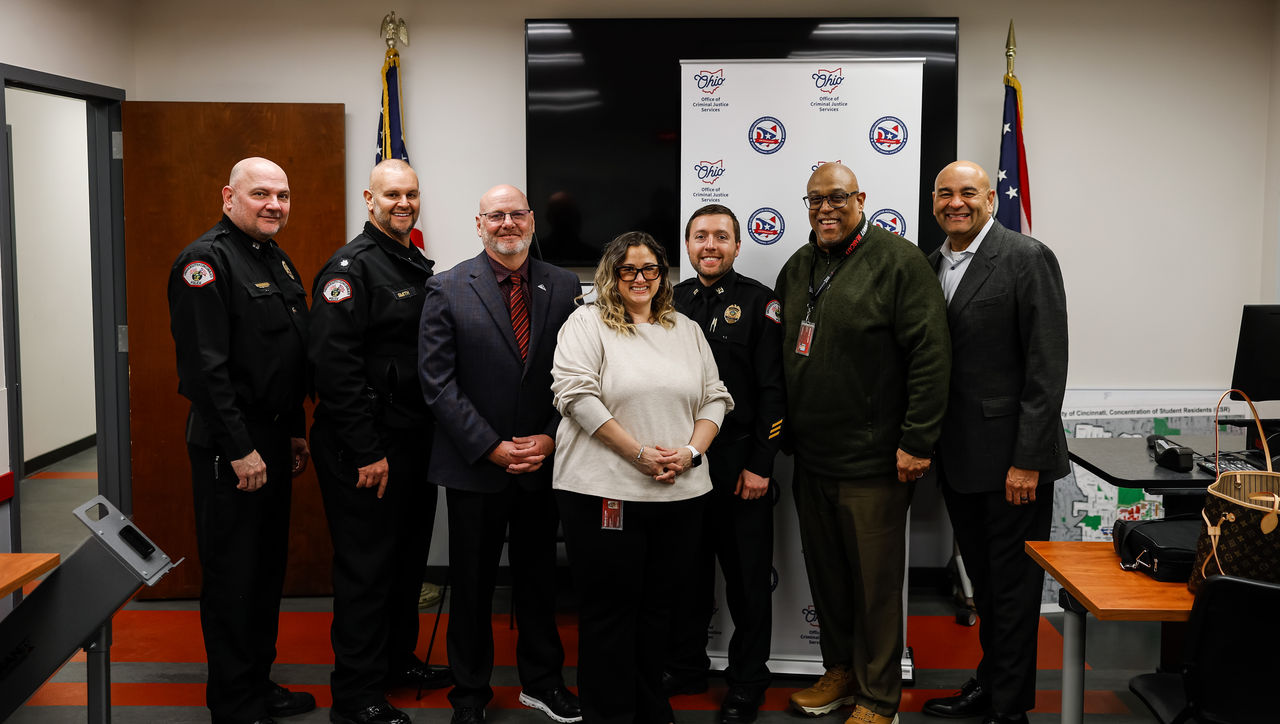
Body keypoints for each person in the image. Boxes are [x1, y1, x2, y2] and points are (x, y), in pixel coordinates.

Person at [774, 162, 950, 724]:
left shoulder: (898, 261)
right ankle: (841, 673)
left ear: (860, 199)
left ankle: (878, 699)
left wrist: (917, 440)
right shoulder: (798, 266)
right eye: (815, 199)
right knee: (828, 580)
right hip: (813, 460)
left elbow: (931, 355)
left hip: (875, 462)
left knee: (874, 589)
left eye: (837, 197)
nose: (825, 208)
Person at [552, 231, 734, 724]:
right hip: (603, 492)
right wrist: (638, 455)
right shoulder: (585, 323)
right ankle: (608, 714)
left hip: (680, 493)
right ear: (610, 274)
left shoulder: (686, 329)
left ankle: (650, 710)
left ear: (663, 274)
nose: (639, 279)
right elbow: (574, 394)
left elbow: (715, 396)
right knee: (610, 614)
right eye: (627, 269)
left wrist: (692, 452)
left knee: (658, 613)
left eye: (649, 269)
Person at [418, 184, 581, 724]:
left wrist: (553, 435)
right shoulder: (446, 287)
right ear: (479, 223)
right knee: (471, 586)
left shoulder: (562, 284)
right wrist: (490, 446)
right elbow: (437, 382)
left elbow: (582, 375)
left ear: (532, 221)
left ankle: (543, 683)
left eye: (516, 214)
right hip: (474, 468)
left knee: (539, 584)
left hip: (543, 462)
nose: (506, 223)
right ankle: (469, 694)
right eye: (496, 215)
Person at [168, 157, 316, 724]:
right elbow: (205, 371)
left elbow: (286, 356)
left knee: (265, 571)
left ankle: (257, 683)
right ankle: (234, 704)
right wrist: (239, 449)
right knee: (233, 575)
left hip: (275, 436)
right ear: (229, 196)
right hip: (232, 441)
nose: (274, 204)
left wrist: (296, 431)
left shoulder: (271, 256)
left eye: (282, 194)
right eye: (260, 194)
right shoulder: (205, 262)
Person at [921, 161, 1068, 724]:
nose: (955, 203)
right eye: (944, 194)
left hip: (1013, 464)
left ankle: (1009, 710)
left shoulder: (1026, 258)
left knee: (1013, 592)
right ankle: (993, 685)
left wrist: (1027, 461)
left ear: (989, 198)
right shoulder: (933, 263)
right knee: (986, 586)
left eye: (967, 193)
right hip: (960, 461)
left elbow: (1046, 364)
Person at [309, 159, 450, 724]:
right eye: (392, 194)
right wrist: (367, 449)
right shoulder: (352, 269)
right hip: (365, 447)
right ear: (369, 200)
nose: (404, 203)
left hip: (413, 441)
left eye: (411, 194)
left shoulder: (411, 262)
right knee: (367, 570)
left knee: (406, 563)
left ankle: (397, 661)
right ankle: (356, 693)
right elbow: (333, 368)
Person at [666, 205, 785, 723]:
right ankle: (687, 667)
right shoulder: (670, 302)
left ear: (737, 246)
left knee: (748, 585)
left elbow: (775, 392)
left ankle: (747, 683)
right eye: (699, 236)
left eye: (721, 236)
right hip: (681, 468)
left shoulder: (761, 303)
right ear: (687, 245)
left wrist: (761, 465)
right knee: (685, 579)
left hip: (740, 468)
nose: (709, 245)